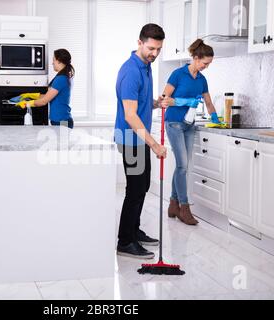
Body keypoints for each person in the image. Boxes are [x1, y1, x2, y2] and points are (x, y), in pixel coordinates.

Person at [114, 24, 167, 260]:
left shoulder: (146, 66)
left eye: (158, 49)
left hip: (139, 137)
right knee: (135, 189)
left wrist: (156, 103)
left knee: (142, 186)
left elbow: (140, 103)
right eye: (151, 48)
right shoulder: (131, 71)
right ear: (139, 42)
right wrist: (155, 144)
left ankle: (133, 230)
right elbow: (130, 114)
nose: (154, 53)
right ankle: (125, 241)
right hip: (130, 138)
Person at [161, 39, 220, 225]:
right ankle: (184, 208)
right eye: (205, 63)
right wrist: (185, 102)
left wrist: (216, 119)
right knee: (183, 166)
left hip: (189, 124)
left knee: (182, 166)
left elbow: (208, 102)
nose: (207, 67)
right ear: (195, 58)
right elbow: (164, 98)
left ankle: (172, 204)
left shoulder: (202, 80)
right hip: (174, 123)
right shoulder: (178, 74)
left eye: (209, 64)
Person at [15, 49, 75, 129]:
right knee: (59, 142)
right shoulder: (62, 77)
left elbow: (44, 101)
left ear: (59, 61)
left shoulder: (61, 79)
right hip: (59, 120)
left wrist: (27, 104)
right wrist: (30, 95)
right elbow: (48, 96)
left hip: (62, 121)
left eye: (54, 60)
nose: (52, 63)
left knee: (62, 142)